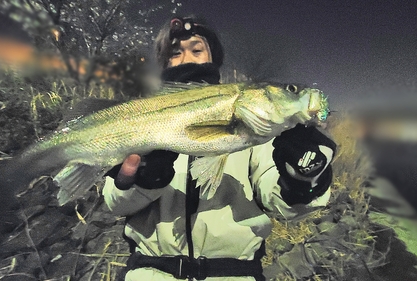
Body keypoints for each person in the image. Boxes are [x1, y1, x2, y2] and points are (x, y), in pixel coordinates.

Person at [102, 15, 337, 281]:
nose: (187, 58)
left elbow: (285, 207)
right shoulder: (138, 114)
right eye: (175, 53)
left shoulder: (262, 130)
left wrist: (303, 177)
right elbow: (114, 205)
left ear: (213, 57)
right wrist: (139, 182)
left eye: (197, 49)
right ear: (165, 62)